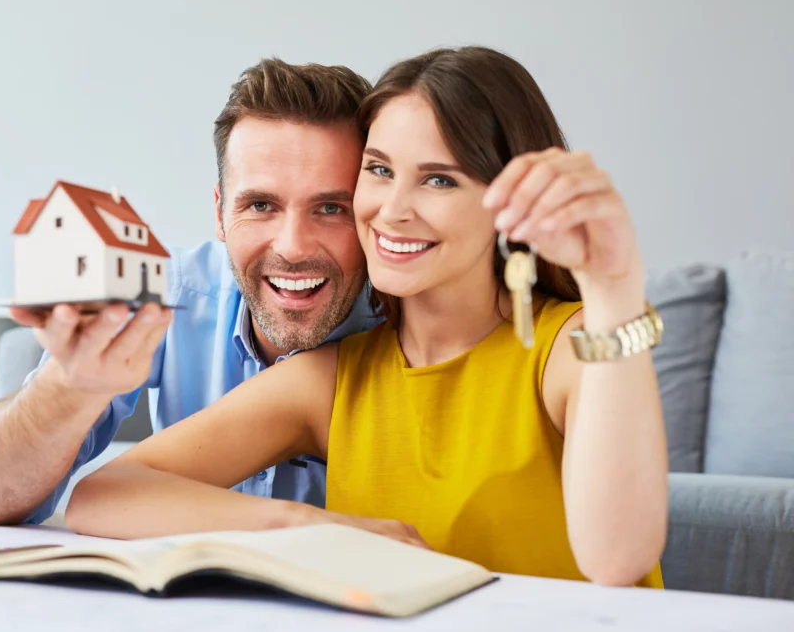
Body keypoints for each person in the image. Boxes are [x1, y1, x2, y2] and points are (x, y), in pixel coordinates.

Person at [62, 46, 670, 588]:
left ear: (508, 203)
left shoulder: (569, 347)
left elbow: (618, 560)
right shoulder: (332, 379)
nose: (391, 209)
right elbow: (103, 495)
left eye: (439, 179)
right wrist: (304, 525)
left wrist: (613, 285)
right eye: (378, 170)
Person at [0, 57, 382, 525]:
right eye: (260, 205)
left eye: (331, 208)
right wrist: (69, 385)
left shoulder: (406, 322)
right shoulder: (169, 289)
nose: (293, 247)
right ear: (219, 213)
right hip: (130, 545)